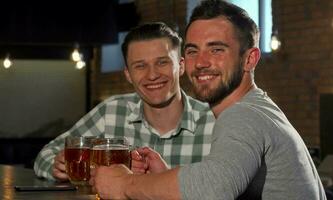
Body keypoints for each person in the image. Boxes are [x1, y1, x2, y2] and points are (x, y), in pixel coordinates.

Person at [89, 0, 327, 199]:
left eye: (216, 50)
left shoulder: (243, 114)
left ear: (250, 59)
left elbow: (213, 188)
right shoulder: (259, 107)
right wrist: (161, 178)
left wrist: (125, 184)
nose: (201, 62)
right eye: (192, 51)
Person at [34, 22, 215, 181]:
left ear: (181, 66)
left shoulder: (214, 121)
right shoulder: (111, 111)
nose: (152, 75)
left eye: (162, 62)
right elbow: (46, 155)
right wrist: (59, 168)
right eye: (140, 66)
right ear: (128, 74)